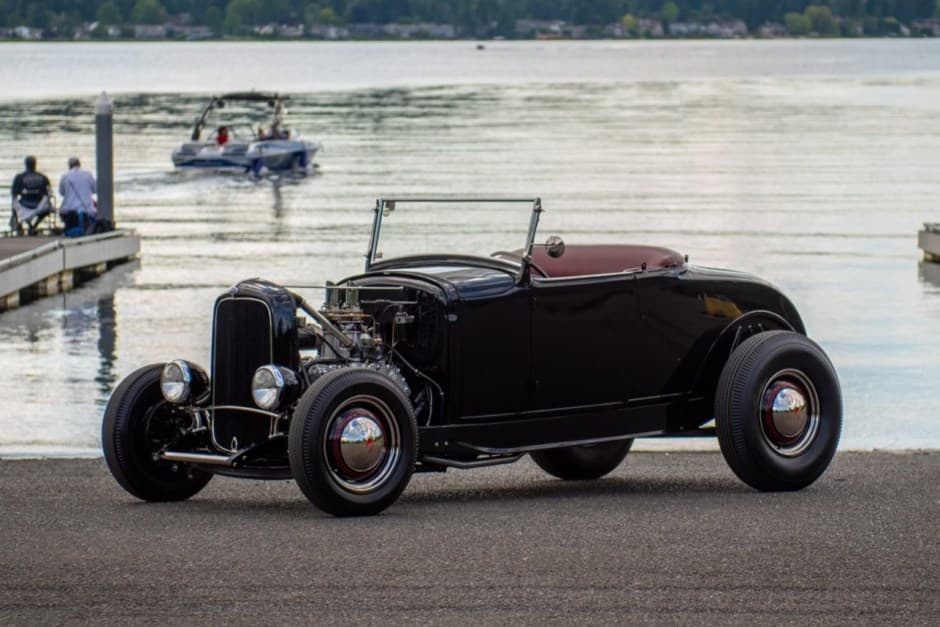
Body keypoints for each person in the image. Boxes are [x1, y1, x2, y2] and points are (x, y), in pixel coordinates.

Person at [10, 155, 53, 235]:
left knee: (15, 206)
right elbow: (48, 193)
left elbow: (14, 193)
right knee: (48, 208)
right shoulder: (43, 177)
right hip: (39, 204)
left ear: (25, 164)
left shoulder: (19, 177)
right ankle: (34, 226)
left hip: (25, 204)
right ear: (35, 164)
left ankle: (29, 226)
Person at [58, 157, 96, 237]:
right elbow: (94, 190)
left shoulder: (65, 176)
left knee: (63, 213)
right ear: (79, 165)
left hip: (69, 210)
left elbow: (61, 193)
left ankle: (70, 230)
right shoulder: (88, 174)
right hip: (87, 209)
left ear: (69, 166)